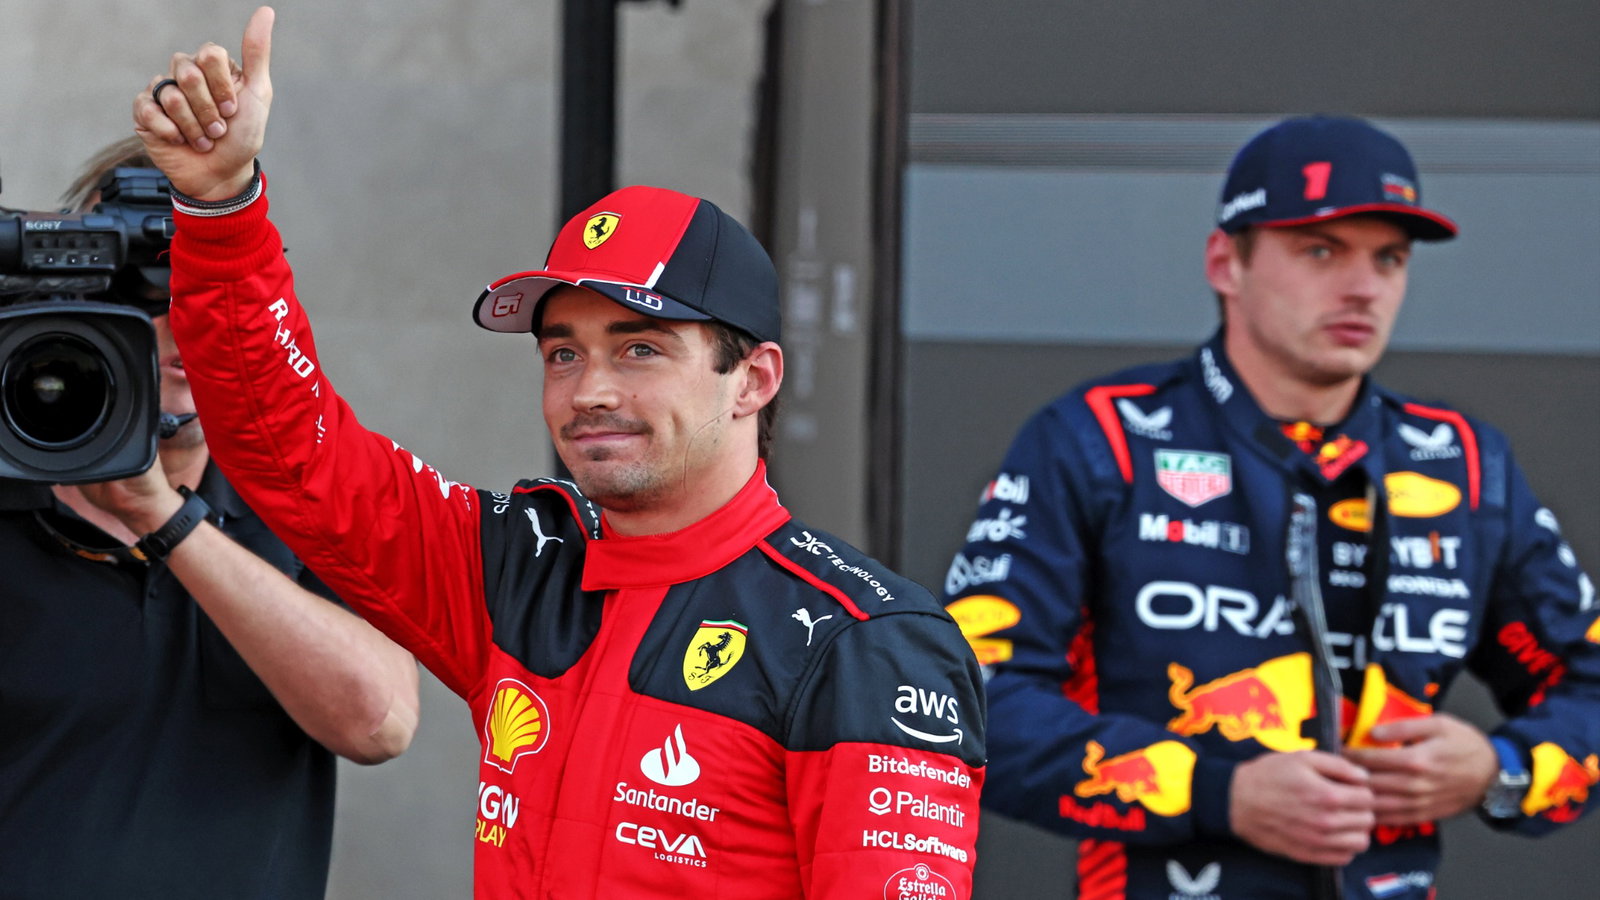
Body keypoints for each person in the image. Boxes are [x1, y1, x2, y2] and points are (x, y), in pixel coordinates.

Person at [129, 8, 985, 898]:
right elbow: (287, 447)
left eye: (641, 348)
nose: (592, 390)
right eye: (563, 352)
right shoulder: (521, 566)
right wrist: (221, 205)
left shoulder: (866, 644)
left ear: (754, 378)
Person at [942, 114, 1599, 899]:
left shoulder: (1462, 467)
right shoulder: (1100, 440)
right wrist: (1217, 792)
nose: (1363, 288)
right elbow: (964, 706)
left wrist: (1501, 770)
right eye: (1321, 251)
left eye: (1388, 258)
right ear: (1227, 261)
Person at [0, 136, 420, 898]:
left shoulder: (307, 494)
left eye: (210, 292)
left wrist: (165, 518)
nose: (183, 328)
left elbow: (379, 721)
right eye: (150, 296)